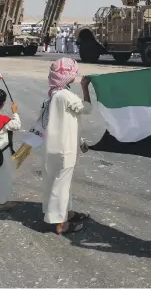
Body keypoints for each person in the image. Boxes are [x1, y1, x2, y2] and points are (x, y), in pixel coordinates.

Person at [41, 58, 93, 235]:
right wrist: (85, 88)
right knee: (61, 185)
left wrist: (80, 141)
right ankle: (60, 223)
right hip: (65, 149)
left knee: (58, 182)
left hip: (54, 147)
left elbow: (70, 121)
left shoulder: (54, 94)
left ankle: (65, 213)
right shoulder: (65, 95)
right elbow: (86, 108)